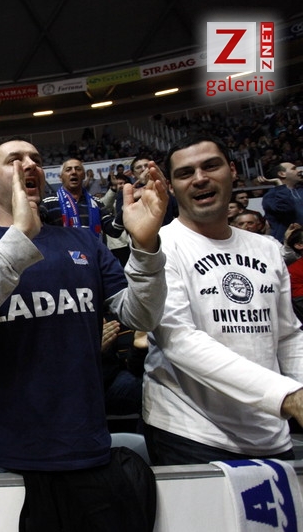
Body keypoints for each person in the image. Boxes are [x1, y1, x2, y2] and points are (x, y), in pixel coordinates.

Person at [0, 138, 168, 531]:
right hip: (3, 450)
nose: (29, 164)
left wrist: (145, 249)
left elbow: (141, 315)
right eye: (15, 160)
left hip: (84, 443)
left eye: (36, 158)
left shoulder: (84, 241)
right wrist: (19, 237)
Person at [143, 135, 303, 466]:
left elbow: (287, 335)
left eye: (210, 166)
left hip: (270, 430)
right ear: (171, 187)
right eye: (185, 173)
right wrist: (287, 395)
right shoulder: (159, 247)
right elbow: (179, 341)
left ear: (232, 171)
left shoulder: (267, 248)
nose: (200, 178)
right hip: (192, 432)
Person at [41, 158, 123, 239]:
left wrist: (125, 210)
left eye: (78, 169)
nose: (74, 172)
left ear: (83, 175)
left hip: (92, 248)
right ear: (60, 177)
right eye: (68, 170)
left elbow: (114, 231)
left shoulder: (96, 203)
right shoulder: (48, 202)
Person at [262, 162, 303, 242]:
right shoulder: (271, 195)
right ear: (282, 174)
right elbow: (285, 208)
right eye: (294, 169)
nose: (299, 171)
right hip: (287, 242)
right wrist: (280, 187)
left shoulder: (301, 190)